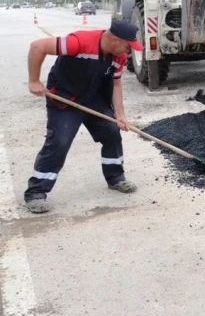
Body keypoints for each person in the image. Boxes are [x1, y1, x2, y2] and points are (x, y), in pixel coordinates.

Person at [24, 19, 144, 213]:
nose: (128, 51)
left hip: (93, 100)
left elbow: (116, 85)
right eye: (127, 46)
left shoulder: (118, 56)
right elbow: (38, 46)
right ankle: (36, 192)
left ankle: (115, 178)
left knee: (112, 131)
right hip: (64, 100)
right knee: (60, 141)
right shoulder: (79, 42)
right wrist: (34, 80)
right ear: (115, 39)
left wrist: (120, 115)